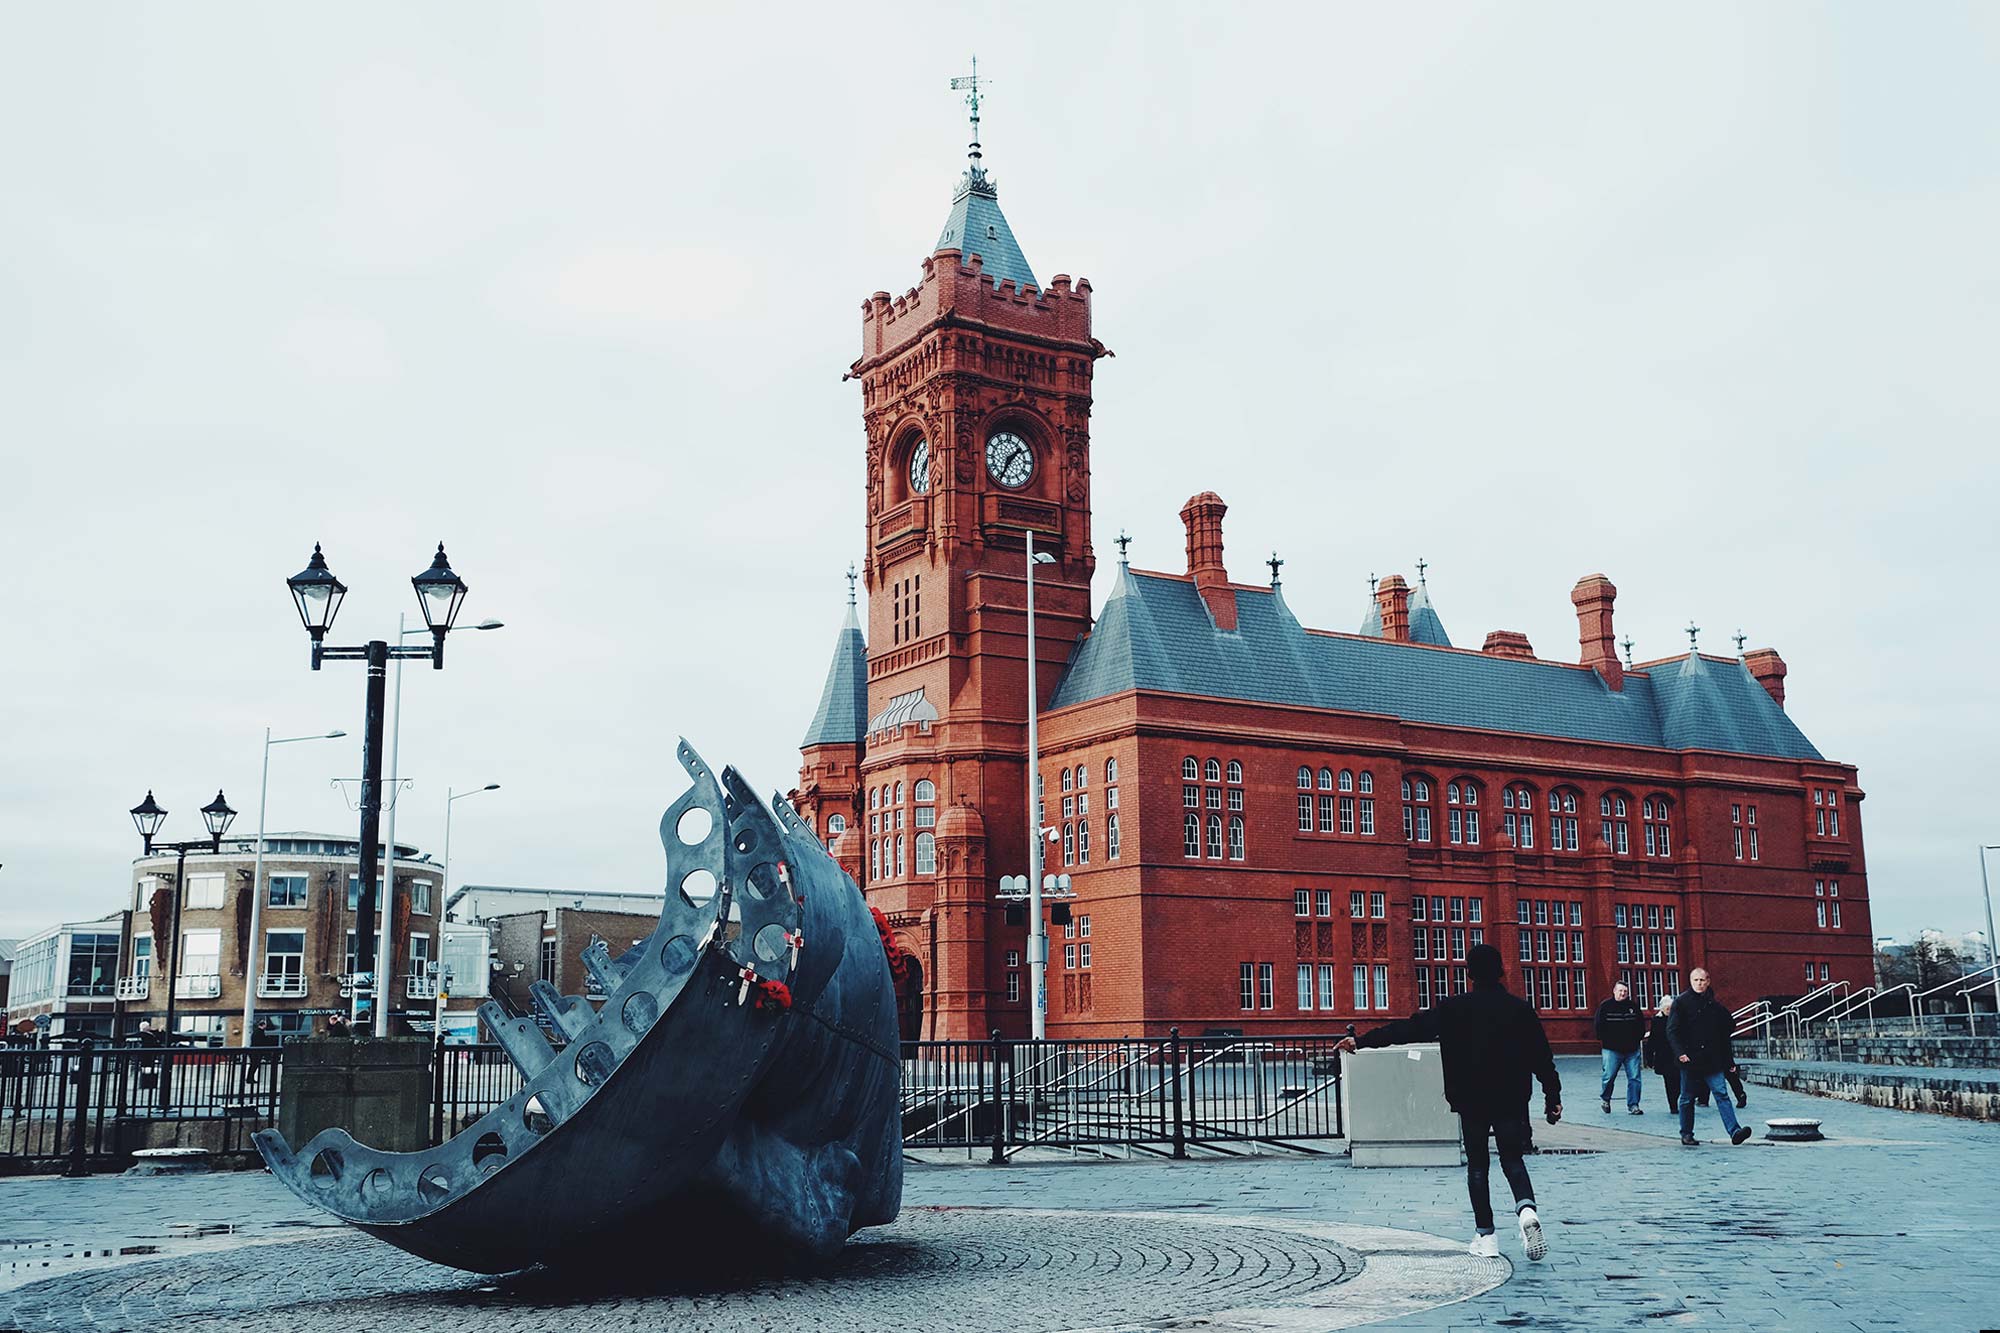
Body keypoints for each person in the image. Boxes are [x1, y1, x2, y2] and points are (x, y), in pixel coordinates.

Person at [1336, 943, 1562, 1262]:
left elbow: (1408, 1029)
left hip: (1471, 1100)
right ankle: (1526, 1210)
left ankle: (1486, 1236)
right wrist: (1553, 1097)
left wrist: (1361, 1041)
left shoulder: (1454, 1009)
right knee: (1513, 1159)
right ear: (1500, 971)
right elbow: (1542, 1057)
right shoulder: (1519, 1009)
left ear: (1469, 973)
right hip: (1511, 1098)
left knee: (1478, 1165)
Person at [1667, 967, 1753, 1146]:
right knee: (1687, 1098)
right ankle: (1686, 1133)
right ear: (1691, 981)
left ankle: (1734, 1131)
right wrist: (1680, 1052)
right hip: (1690, 1058)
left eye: (1702, 980)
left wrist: (1729, 1061)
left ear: (1708, 982)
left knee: (1721, 1094)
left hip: (1712, 1059)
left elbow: (1724, 1034)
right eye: (1696, 980)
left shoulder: (1714, 1006)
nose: (1699, 983)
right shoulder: (1681, 1003)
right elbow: (1672, 1031)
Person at [1594, 981, 1647, 1114]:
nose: (1623, 993)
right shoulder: (1605, 1006)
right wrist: (1606, 1040)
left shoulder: (1633, 1007)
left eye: (1625, 991)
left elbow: (1641, 1025)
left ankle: (1633, 1105)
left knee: (1635, 1078)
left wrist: (1637, 1038)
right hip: (1611, 1049)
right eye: (1620, 991)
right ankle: (1605, 1099)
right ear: (1614, 991)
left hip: (1632, 1049)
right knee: (1609, 1076)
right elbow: (1598, 1025)